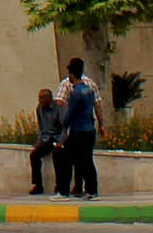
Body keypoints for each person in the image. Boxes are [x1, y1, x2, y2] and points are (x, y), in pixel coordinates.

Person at [53, 58, 103, 199]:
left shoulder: (76, 93)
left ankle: (63, 192)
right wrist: (101, 124)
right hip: (89, 130)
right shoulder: (89, 89)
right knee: (87, 160)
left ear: (72, 74)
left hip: (78, 131)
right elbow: (96, 107)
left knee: (64, 158)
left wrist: (63, 125)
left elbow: (70, 113)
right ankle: (92, 190)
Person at [27, 87, 61, 194]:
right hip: (46, 139)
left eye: (42, 98)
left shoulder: (58, 108)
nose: (40, 101)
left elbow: (63, 127)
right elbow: (40, 126)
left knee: (57, 155)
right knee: (34, 155)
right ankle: (38, 185)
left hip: (57, 138)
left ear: (49, 99)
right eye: (39, 98)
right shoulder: (39, 109)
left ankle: (59, 185)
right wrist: (39, 140)